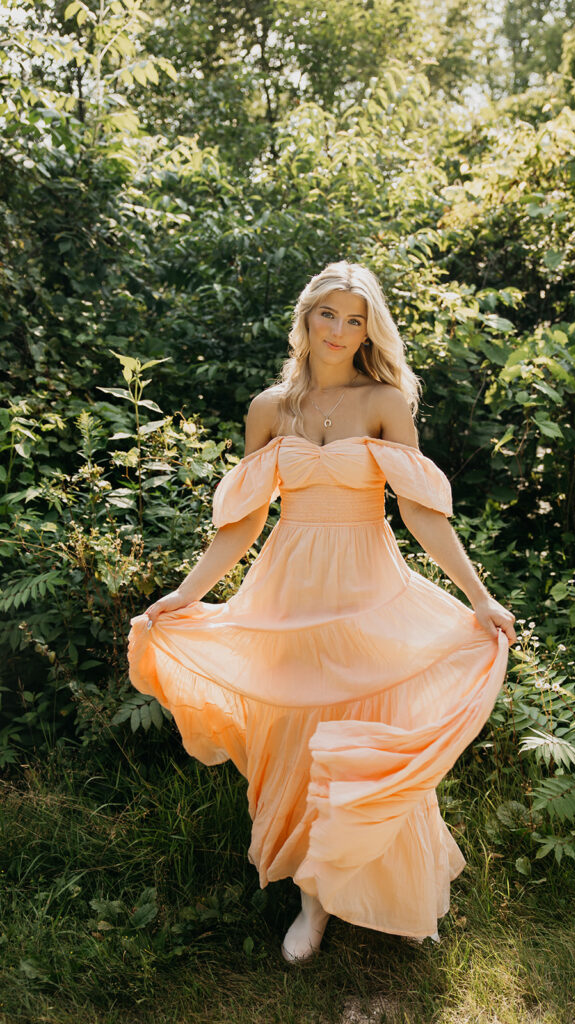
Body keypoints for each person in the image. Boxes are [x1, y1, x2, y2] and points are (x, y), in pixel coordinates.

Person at [127, 259, 516, 965]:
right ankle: (313, 902)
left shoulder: (383, 401)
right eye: (327, 314)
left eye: (354, 319)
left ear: (369, 330)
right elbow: (243, 524)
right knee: (297, 737)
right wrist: (186, 594)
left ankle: (381, 885)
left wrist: (478, 595)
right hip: (289, 586)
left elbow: (422, 513)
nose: (338, 330)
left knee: (363, 733)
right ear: (305, 318)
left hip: (367, 586)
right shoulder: (269, 408)